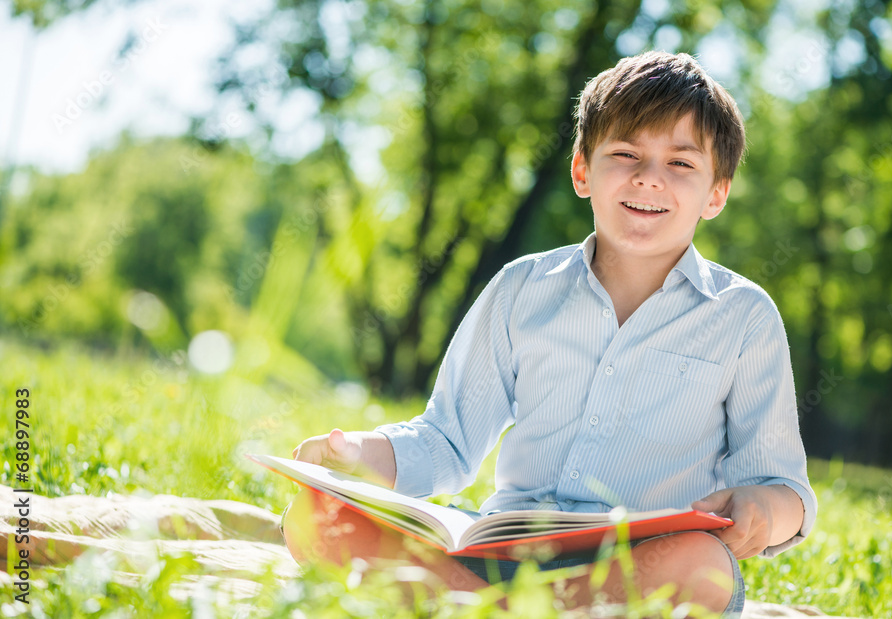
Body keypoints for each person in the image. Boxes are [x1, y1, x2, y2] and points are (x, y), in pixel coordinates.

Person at [284, 51, 818, 617]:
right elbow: (447, 439)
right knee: (314, 518)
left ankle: (478, 608)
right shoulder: (521, 288)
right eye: (625, 154)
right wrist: (356, 455)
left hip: (639, 563)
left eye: (681, 164)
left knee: (701, 566)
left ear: (717, 193)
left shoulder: (743, 317)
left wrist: (763, 506)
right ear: (582, 170)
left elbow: (784, 487)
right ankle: (505, 603)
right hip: (502, 550)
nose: (649, 177)